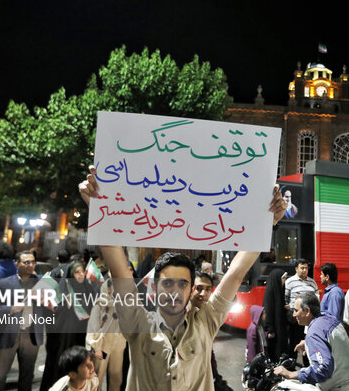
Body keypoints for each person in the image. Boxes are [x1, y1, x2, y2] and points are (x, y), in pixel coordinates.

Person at [78, 166, 286, 390]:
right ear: (155, 287)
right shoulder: (138, 323)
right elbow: (119, 272)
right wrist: (98, 209)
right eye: (167, 283)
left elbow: (235, 274)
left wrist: (267, 222)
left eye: (182, 284)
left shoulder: (206, 322)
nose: (175, 292)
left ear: (191, 289)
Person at [273, 292, 349, 390]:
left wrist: (291, 374)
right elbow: (333, 343)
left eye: (296, 310)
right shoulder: (330, 319)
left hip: (341, 387)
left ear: (307, 311)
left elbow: (322, 369)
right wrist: (309, 344)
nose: (294, 315)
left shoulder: (314, 333)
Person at [0, 250, 46, 391]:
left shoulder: (42, 282)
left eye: (33, 262)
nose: (31, 265)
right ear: (16, 264)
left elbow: (53, 304)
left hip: (31, 333)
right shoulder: (5, 283)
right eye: (26, 262)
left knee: (27, 376)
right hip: (8, 334)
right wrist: (11, 309)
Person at [41, 261, 98, 390]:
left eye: (82, 271)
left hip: (80, 336)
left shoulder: (88, 289)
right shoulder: (62, 290)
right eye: (77, 272)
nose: (81, 274)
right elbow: (51, 313)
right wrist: (64, 306)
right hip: (64, 338)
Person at [189, 271, 233, 391]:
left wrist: (216, 378)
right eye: (199, 288)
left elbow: (209, 356)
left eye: (208, 289)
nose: (203, 294)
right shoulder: (181, 318)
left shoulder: (210, 315)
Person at [85, 278, 126, 391]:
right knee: (98, 374)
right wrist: (97, 347)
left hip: (118, 345)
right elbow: (93, 327)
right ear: (108, 289)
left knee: (116, 375)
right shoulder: (99, 305)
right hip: (102, 345)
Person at [285, 259, 318, 359]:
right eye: (302, 268)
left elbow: (317, 298)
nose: (304, 270)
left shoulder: (312, 282)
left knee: (308, 341)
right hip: (296, 318)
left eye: (306, 268)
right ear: (296, 269)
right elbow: (285, 299)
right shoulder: (289, 282)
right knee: (294, 342)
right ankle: (291, 363)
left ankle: (308, 364)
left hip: (309, 318)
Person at [263, 269, 289, 362]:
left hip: (280, 326)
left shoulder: (279, 289)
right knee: (274, 350)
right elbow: (268, 311)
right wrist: (270, 329)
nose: (284, 280)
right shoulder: (270, 291)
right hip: (274, 328)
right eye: (283, 278)